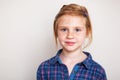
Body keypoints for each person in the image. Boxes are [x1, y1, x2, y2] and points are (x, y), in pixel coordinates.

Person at [37, 3, 107, 80]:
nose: (70, 36)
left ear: (87, 32)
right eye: (64, 29)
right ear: (56, 32)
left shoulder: (98, 72)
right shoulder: (44, 69)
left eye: (77, 30)